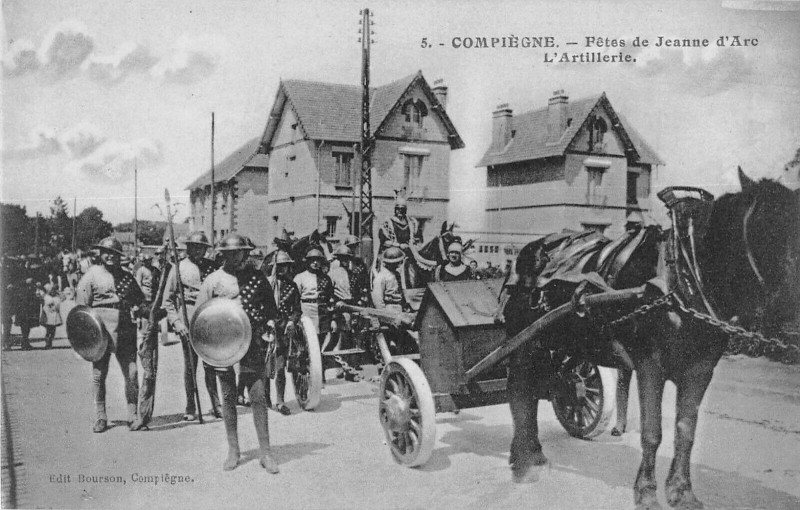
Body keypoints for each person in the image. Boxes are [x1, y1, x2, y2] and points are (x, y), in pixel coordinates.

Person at [195, 233, 280, 473]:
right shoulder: (213, 280)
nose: (234, 256)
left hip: (251, 341)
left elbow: (271, 309)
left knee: (258, 396)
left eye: (238, 252)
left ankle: (265, 452)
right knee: (228, 395)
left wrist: (270, 325)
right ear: (222, 254)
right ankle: (233, 450)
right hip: (222, 344)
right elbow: (200, 315)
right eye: (229, 253)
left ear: (245, 253)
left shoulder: (256, 277)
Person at [75, 236, 146, 433]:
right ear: (100, 254)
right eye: (106, 253)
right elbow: (81, 308)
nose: (110, 257)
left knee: (131, 373)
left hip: (124, 328)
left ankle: (132, 414)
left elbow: (140, 300)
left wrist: (142, 309)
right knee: (99, 374)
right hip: (100, 328)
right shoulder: (91, 275)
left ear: (119, 256)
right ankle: (100, 416)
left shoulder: (126, 277)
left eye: (114, 254)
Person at [162, 231, 221, 422]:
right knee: (190, 365)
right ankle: (190, 404)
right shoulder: (178, 268)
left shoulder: (213, 268)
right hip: (187, 315)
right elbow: (168, 300)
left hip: (208, 316)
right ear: (188, 248)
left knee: (211, 364)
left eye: (202, 248)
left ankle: (216, 403)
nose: (199, 251)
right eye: (195, 247)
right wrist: (176, 322)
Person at [267, 250, 301, 416]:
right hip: (268, 329)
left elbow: (297, 309)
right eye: (279, 266)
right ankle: (265, 397)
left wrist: (291, 321)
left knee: (280, 367)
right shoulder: (267, 284)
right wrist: (268, 320)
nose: (282, 270)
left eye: (285, 266)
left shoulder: (292, 286)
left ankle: (280, 401)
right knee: (266, 365)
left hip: (283, 331)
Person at [293, 248, 335, 349]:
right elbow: (295, 299)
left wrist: (333, 318)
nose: (315, 263)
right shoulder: (300, 277)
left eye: (318, 260)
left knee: (321, 341)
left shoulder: (326, 278)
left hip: (322, 313)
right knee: (307, 340)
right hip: (306, 312)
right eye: (312, 260)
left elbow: (331, 299)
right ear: (308, 262)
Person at [378, 195, 422, 260]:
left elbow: (418, 239)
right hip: (392, 254)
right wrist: (399, 245)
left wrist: (414, 246)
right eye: (398, 209)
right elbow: (384, 241)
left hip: (409, 253)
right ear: (395, 210)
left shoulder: (413, 223)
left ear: (405, 210)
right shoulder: (387, 223)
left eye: (402, 209)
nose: (400, 211)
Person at [15, 277, 40, 350]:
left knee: (28, 323)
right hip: (22, 303)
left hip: (30, 303)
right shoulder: (20, 269)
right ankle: (24, 341)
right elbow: (15, 280)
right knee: (24, 323)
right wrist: (25, 281)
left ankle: (25, 341)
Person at [40, 283, 62, 349]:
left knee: (53, 331)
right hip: (48, 316)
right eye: (51, 290)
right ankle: (47, 343)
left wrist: (58, 292)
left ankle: (50, 342)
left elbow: (63, 297)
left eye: (54, 290)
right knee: (48, 331)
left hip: (55, 317)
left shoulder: (57, 297)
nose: (52, 291)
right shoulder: (46, 297)